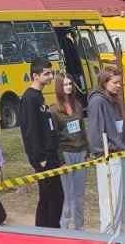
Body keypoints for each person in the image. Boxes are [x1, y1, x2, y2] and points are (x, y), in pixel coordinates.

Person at [85, 65, 125, 236]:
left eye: (120, 82)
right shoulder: (97, 101)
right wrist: (102, 152)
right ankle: (108, 240)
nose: (119, 86)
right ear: (105, 82)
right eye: (115, 82)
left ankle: (122, 238)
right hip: (109, 157)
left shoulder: (117, 100)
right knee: (112, 204)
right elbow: (95, 131)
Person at [18, 58, 63, 228]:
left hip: (51, 154)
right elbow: (30, 131)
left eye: (51, 73)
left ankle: (46, 229)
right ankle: (48, 230)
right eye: (46, 74)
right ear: (35, 76)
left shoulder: (39, 96)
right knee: (52, 197)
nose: (51, 77)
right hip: (43, 158)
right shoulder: (29, 98)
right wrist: (39, 157)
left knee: (52, 197)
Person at [51, 71, 89, 230]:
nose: (68, 87)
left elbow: (82, 129)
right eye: (65, 84)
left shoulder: (78, 105)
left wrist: (87, 150)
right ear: (59, 87)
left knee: (79, 194)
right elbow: (54, 137)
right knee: (68, 195)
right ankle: (65, 228)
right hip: (66, 153)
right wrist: (61, 160)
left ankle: (79, 227)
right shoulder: (54, 111)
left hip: (81, 152)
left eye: (70, 84)